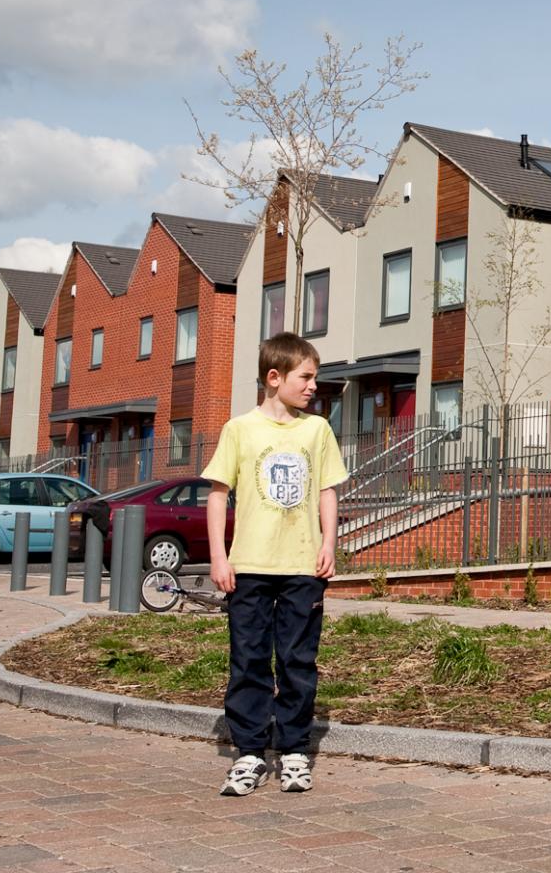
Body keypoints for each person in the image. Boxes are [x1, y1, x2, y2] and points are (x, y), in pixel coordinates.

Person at [204, 332, 347, 796]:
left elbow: (327, 490)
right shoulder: (239, 429)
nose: (312, 386)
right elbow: (218, 494)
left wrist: (329, 542)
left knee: (297, 661)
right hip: (249, 567)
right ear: (274, 377)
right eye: (305, 377)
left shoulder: (317, 430)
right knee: (247, 660)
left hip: (303, 567)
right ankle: (248, 753)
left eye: (314, 378)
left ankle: (294, 753)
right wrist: (219, 557)